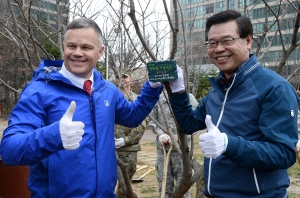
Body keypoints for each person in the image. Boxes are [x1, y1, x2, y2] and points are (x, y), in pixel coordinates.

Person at [0, 18, 163, 197]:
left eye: (86, 47)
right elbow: (9, 150)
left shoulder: (107, 90)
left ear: (100, 51)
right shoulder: (38, 91)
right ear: (64, 47)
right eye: (71, 46)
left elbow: (132, 117)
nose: (77, 53)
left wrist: (152, 88)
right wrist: (53, 136)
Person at [168, 10, 299, 197]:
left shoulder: (275, 88)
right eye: (212, 43)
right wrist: (178, 91)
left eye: (227, 41)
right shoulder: (218, 91)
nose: (218, 49)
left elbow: (284, 154)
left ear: (248, 41)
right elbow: (189, 124)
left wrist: (228, 144)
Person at [149, 89, 198, 198]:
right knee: (164, 184)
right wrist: (161, 134)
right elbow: (152, 120)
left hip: (182, 152)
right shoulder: (158, 99)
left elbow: (196, 121)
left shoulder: (188, 98)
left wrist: (180, 138)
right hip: (163, 150)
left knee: (183, 187)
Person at [114, 68, 147, 197]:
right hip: (109, 149)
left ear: (131, 79)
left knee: (124, 188)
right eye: (118, 77)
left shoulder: (136, 100)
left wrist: (124, 141)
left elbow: (141, 126)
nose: (121, 79)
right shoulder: (111, 98)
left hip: (128, 151)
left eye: (125, 76)